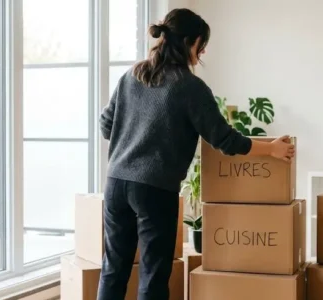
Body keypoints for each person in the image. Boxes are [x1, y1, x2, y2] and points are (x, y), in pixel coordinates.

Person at [98, 8, 295, 300]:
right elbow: (225, 140)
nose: (201, 53)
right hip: (154, 190)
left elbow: (105, 125)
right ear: (192, 42)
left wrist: (132, 137)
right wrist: (272, 149)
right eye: (201, 46)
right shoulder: (190, 87)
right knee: (153, 275)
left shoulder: (132, 74)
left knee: (113, 270)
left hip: (115, 183)